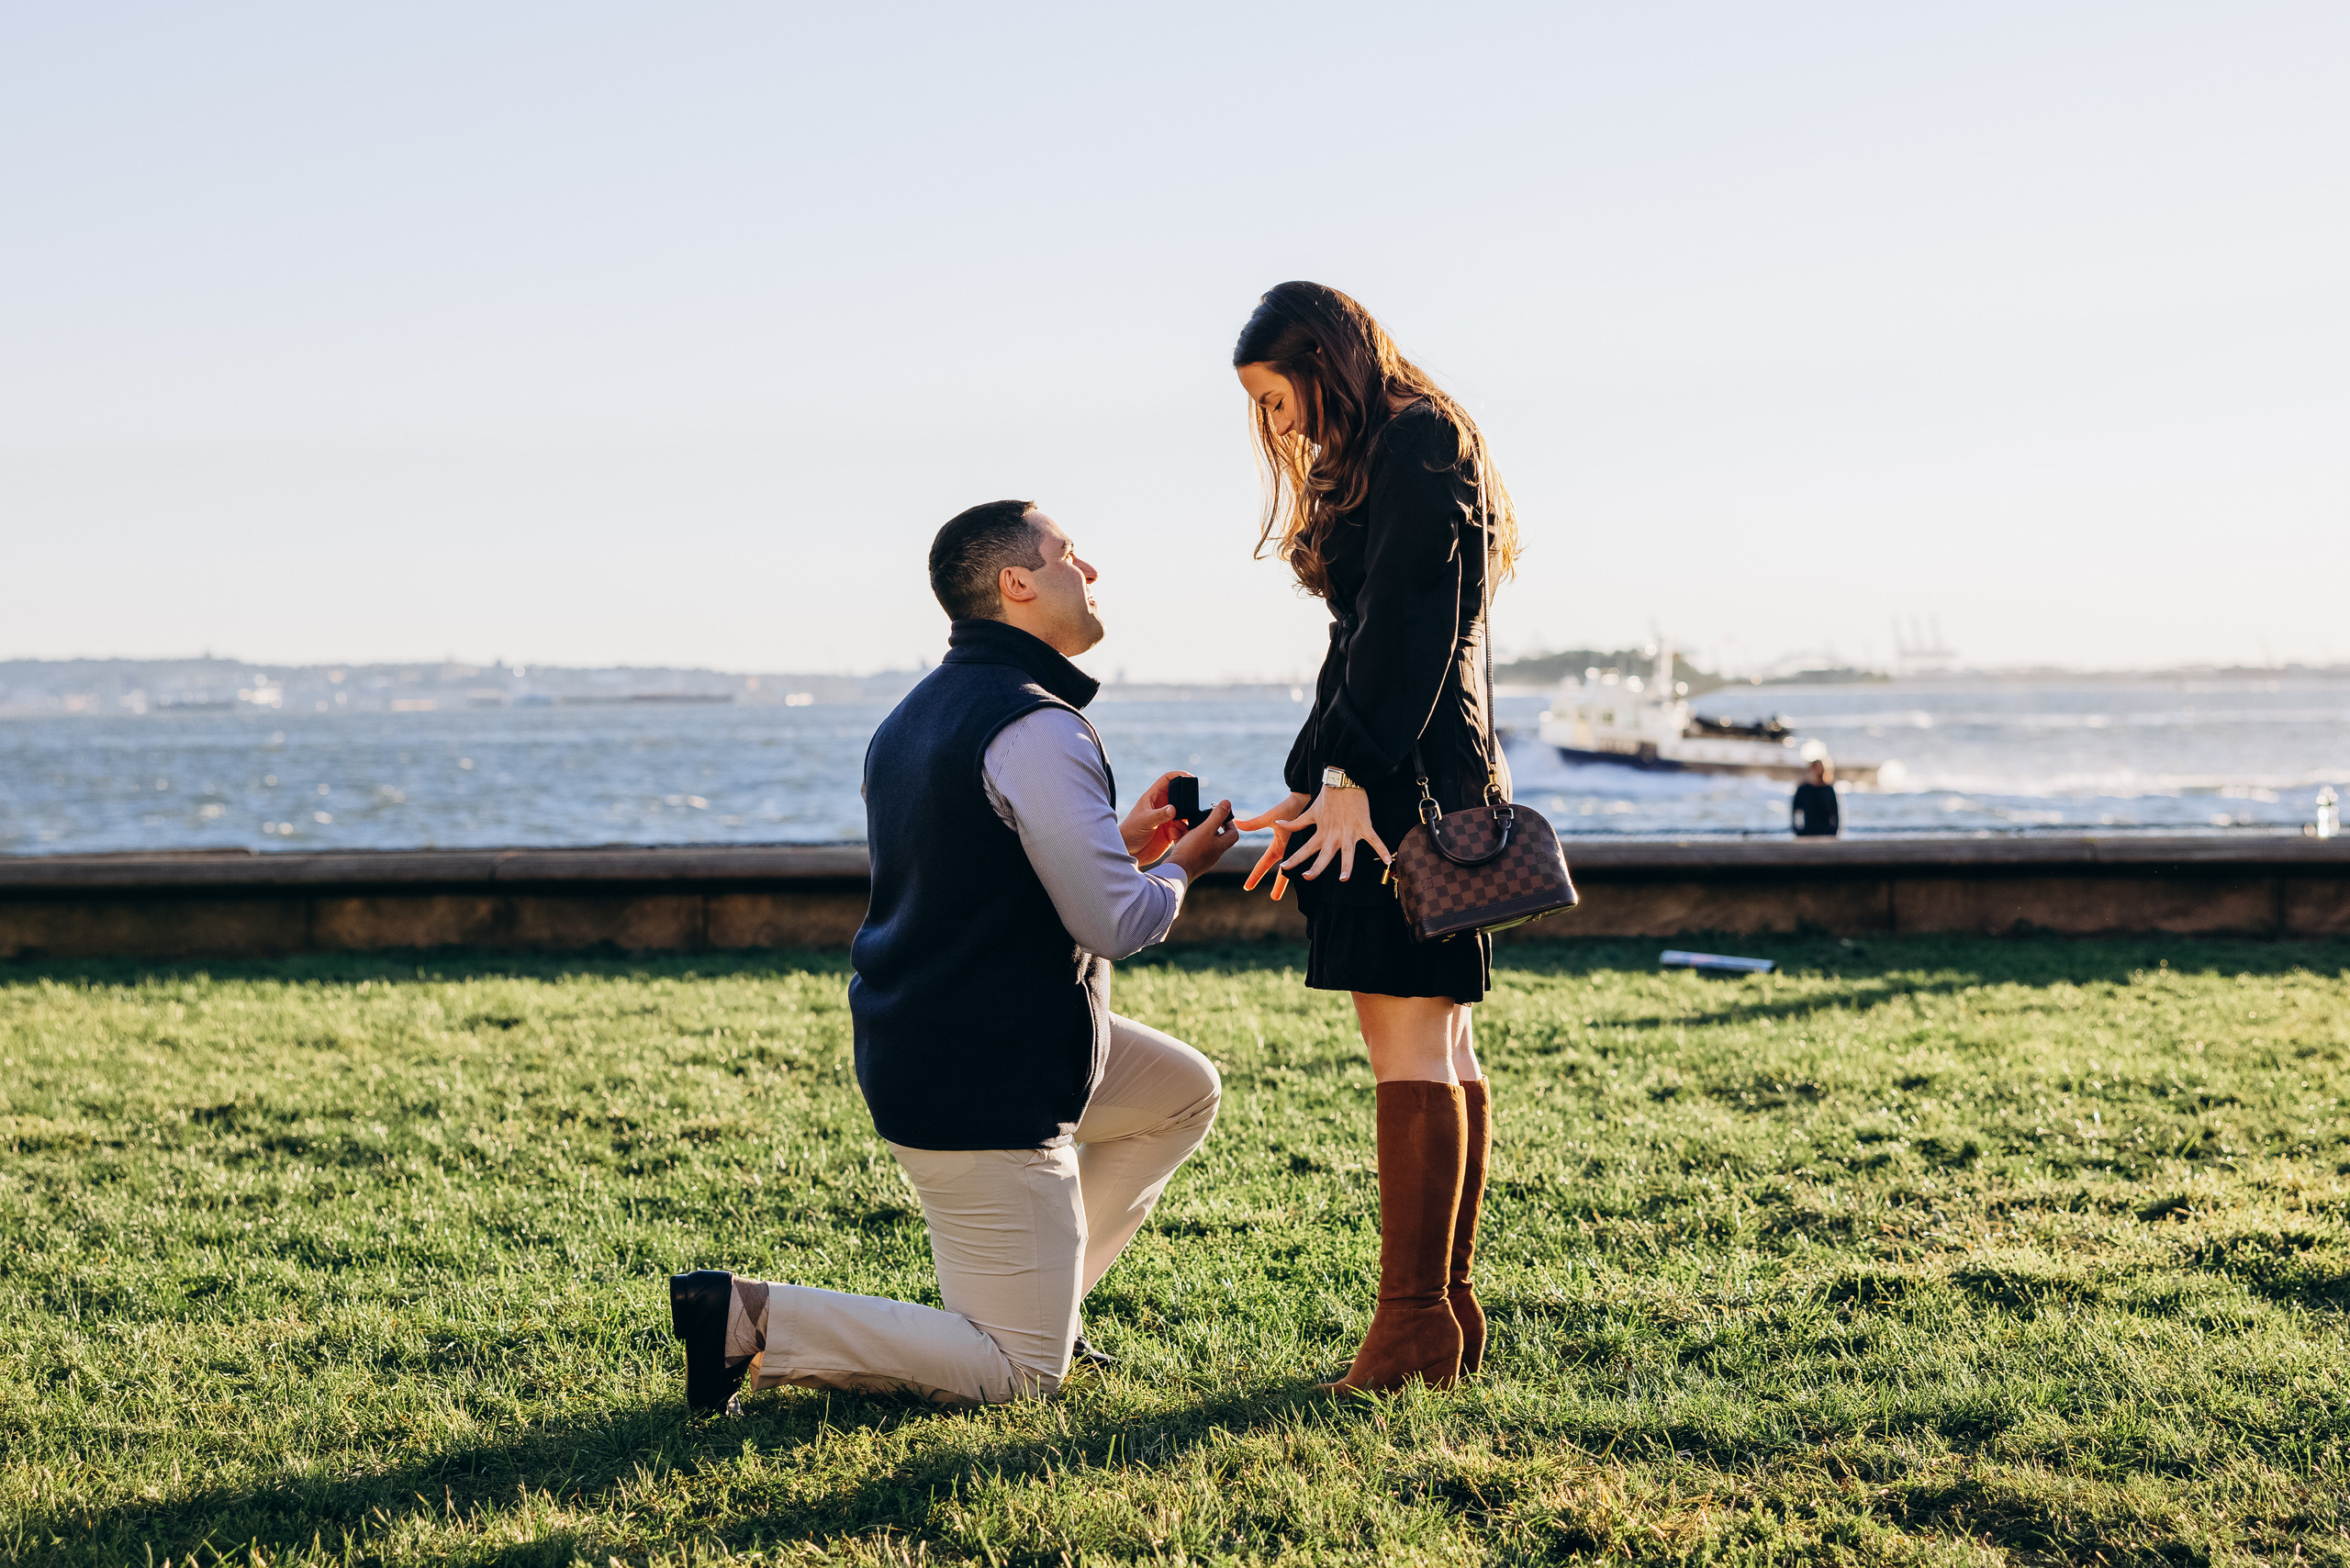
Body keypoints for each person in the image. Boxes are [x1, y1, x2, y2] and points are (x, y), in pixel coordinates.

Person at [670, 499, 1241, 1412]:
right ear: (1017, 583)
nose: (1089, 570)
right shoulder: (1038, 726)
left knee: (1181, 1091)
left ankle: (1051, 1309)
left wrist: (1122, 844)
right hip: (990, 1077)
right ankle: (747, 1316)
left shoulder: (913, 716)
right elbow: (1116, 925)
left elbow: (982, 872)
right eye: (1068, 554)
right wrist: (1183, 869)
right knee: (1019, 1377)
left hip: (933, 1042)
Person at [1229, 282, 1521, 1394]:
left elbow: (1402, 627)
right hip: (1417, 776)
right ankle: (1441, 1312)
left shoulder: (1414, 439)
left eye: (1276, 397)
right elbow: (1380, 638)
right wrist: (1319, 781)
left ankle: (1412, 1329)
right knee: (1439, 1045)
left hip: (1402, 789)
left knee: (1412, 1048)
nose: (1277, 424)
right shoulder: (1417, 441)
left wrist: (1347, 777)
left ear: (1322, 361)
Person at [1792, 756, 1840, 836]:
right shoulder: (1803, 790)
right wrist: (1797, 830)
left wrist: (1833, 831)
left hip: (1826, 833)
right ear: (1810, 770)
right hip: (1807, 832)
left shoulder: (1828, 789)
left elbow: (1835, 813)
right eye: (1815, 768)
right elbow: (1795, 810)